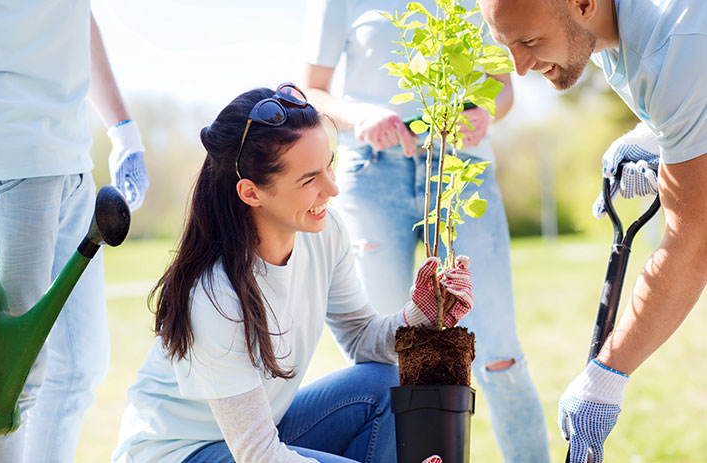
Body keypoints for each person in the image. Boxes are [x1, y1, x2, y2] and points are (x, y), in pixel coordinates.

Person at [112, 84, 475, 463]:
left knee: (384, 384)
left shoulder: (324, 233)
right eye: (309, 179)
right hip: (181, 454)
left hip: (256, 436)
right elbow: (259, 455)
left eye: (329, 166)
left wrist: (421, 315)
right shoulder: (215, 296)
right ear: (251, 192)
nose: (332, 188)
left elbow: (362, 338)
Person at [300, 1, 550, 461]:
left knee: (499, 354)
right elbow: (311, 92)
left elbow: (503, 86)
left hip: (462, 170)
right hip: (374, 175)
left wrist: (485, 112)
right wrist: (360, 116)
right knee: (384, 359)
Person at [478, 0, 707, 461]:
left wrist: (606, 379)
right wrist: (653, 138)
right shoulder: (603, 36)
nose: (519, 69)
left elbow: (695, 242)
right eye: (508, 46)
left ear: (583, 3)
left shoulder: (675, 45)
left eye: (529, 42)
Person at [0, 3, 149, 462]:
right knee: (6, 386)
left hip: (70, 160)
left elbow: (76, 15)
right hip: (3, 157)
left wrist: (122, 127)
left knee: (78, 368)